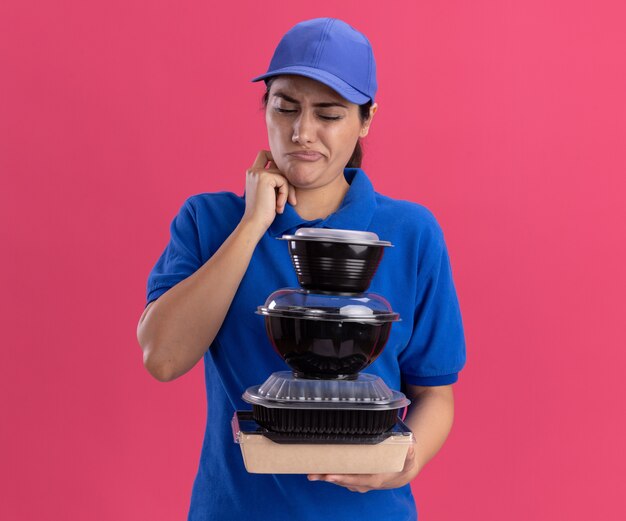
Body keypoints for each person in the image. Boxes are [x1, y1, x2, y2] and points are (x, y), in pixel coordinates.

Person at [137, 17, 466, 521]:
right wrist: (251, 226)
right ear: (264, 105)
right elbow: (162, 358)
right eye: (284, 106)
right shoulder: (209, 221)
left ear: (366, 119)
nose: (300, 132)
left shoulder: (412, 232)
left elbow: (434, 394)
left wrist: (407, 459)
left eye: (329, 115)